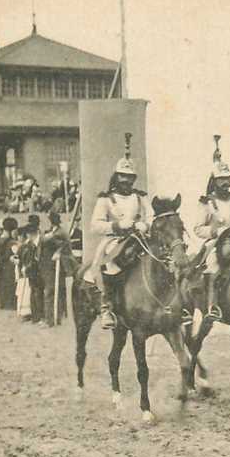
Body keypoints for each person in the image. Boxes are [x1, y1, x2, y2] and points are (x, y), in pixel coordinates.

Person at [82, 133, 148, 329]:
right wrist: (116, 226)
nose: (126, 180)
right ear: (116, 176)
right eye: (123, 176)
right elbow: (95, 225)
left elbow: (149, 217)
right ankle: (107, 307)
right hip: (114, 239)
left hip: (138, 237)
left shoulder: (140, 197)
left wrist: (143, 225)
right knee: (109, 265)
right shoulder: (105, 199)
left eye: (129, 177)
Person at [193, 135, 230, 320]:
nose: (225, 183)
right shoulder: (207, 203)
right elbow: (198, 229)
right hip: (216, 241)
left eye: (227, 178)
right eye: (221, 179)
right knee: (213, 264)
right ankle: (212, 305)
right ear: (214, 181)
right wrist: (216, 231)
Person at [19, 219, 45, 324]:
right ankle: (35, 317)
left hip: (41, 272)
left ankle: (41, 317)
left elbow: (38, 259)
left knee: (39, 294)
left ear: (31, 234)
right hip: (33, 273)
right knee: (33, 293)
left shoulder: (42, 242)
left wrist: (27, 267)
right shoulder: (30, 244)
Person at [0, 216, 19, 310]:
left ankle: (4, 303)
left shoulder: (2, 240)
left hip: (2, 265)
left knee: (4, 285)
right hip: (8, 266)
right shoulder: (11, 242)